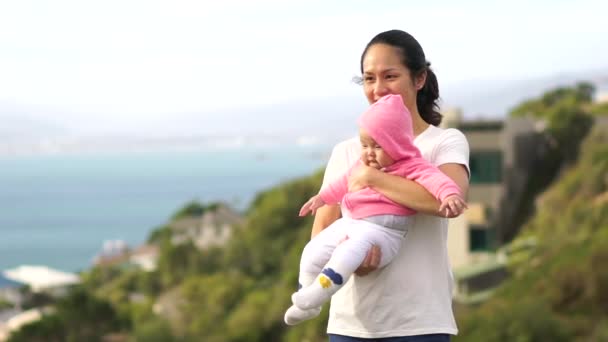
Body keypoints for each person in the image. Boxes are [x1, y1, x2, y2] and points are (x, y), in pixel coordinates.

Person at [309, 30, 470, 341]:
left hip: (420, 325)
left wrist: (372, 177)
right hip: (350, 327)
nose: (378, 89)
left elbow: (448, 202)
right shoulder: (346, 152)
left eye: (390, 76)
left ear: (419, 78)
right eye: (369, 79)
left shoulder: (443, 142)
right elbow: (323, 231)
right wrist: (354, 263)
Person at [284, 94, 467, 326]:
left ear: (397, 143)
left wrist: (449, 195)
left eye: (378, 146)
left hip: (383, 232)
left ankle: (316, 294)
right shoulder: (361, 164)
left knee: (347, 253)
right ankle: (306, 301)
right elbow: (342, 184)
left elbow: (437, 181)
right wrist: (321, 198)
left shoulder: (412, 165)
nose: (369, 152)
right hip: (352, 224)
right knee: (312, 251)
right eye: (365, 145)